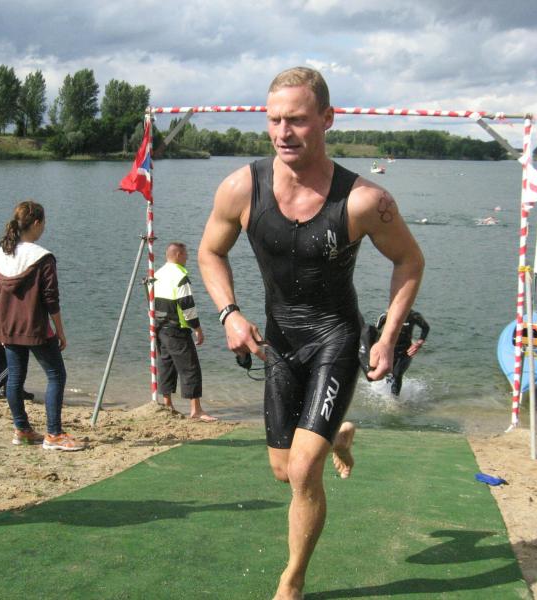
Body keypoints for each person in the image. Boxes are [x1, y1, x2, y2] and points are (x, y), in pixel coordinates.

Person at [197, 66, 424, 600]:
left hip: (335, 337)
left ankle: (292, 581)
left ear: (326, 119)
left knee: (302, 471)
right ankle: (337, 436)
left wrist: (387, 336)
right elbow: (209, 252)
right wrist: (229, 313)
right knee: (283, 470)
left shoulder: (362, 200)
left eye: (297, 120)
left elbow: (409, 261)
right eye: (274, 120)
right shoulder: (242, 188)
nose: (283, 132)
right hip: (280, 342)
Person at [0, 200, 85, 451]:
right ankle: (54, 434)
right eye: (44, 223)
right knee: (56, 375)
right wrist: (60, 331)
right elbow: (51, 300)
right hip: (36, 328)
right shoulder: (43, 257)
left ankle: (22, 429)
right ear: (37, 223)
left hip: (8, 327)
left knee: (15, 378)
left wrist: (2, 327)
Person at [154, 241, 216, 421]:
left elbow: (150, 300)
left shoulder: (156, 274)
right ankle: (196, 410)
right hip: (177, 329)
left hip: (160, 327)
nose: (187, 257)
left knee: (166, 365)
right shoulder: (180, 276)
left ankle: (168, 404)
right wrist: (197, 328)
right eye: (186, 254)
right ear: (178, 255)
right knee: (190, 367)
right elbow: (187, 305)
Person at [376, 308, 429, 396]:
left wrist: (419, 343)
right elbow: (375, 330)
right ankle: (386, 393)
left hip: (406, 351)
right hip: (389, 350)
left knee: (397, 373)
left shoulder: (413, 315)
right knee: (388, 373)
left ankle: (394, 399)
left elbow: (425, 328)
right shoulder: (385, 315)